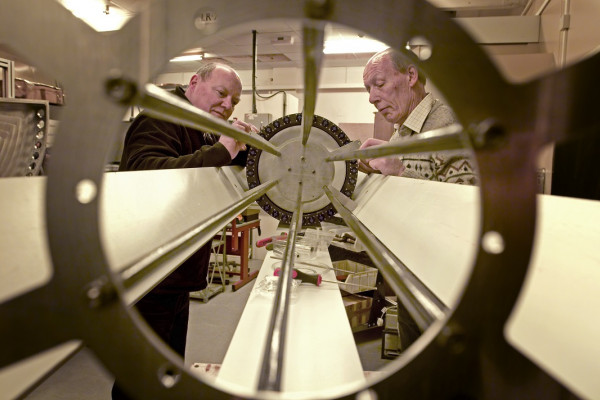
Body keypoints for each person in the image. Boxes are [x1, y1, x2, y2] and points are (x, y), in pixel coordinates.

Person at [113, 62, 257, 399]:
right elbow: (145, 174)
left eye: (234, 101)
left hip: (176, 272)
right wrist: (222, 150)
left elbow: (198, 168)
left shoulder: (199, 125)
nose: (228, 104)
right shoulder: (161, 117)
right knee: (140, 375)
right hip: (150, 271)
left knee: (165, 370)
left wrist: (242, 152)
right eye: (222, 93)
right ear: (194, 83)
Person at [360, 48, 477, 185]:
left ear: (411, 76)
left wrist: (400, 172)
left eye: (380, 84)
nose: (372, 98)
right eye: (368, 90)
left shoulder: (450, 127)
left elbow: (464, 202)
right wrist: (378, 174)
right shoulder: (398, 136)